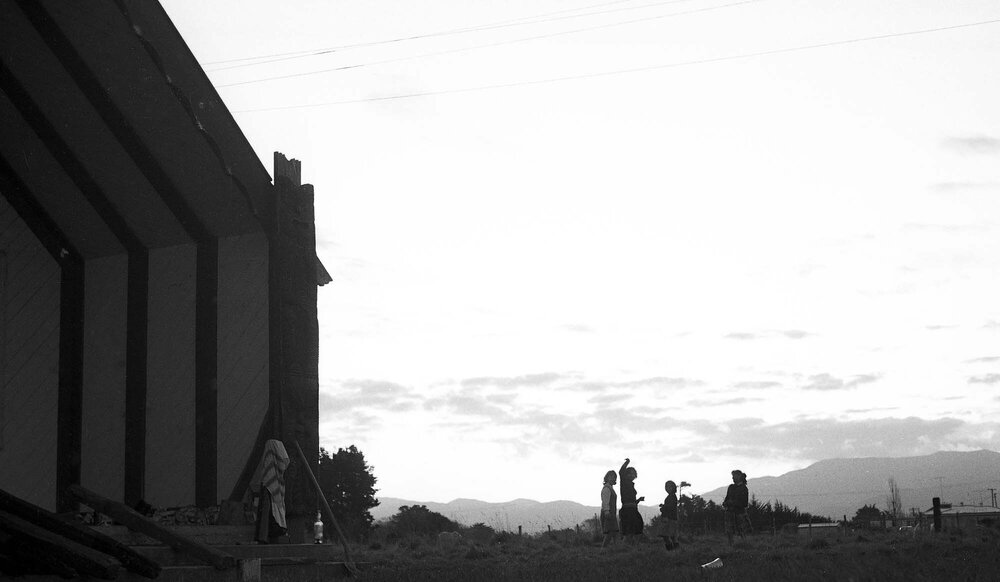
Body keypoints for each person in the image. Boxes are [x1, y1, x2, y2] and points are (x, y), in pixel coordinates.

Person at [250, 439, 291, 543]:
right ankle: (267, 534)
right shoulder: (273, 454)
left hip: (270, 487)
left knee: (270, 513)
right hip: (271, 488)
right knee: (270, 513)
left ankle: (266, 535)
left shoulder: (271, 449)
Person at [618, 458, 645, 543]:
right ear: (626, 474)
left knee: (636, 529)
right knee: (628, 531)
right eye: (630, 473)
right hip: (627, 510)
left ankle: (632, 547)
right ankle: (624, 547)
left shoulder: (631, 484)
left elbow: (631, 501)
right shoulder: (624, 482)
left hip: (633, 510)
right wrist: (627, 462)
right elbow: (621, 472)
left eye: (634, 474)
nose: (632, 475)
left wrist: (638, 500)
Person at [722, 469, 751, 544]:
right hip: (730, 513)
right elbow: (726, 498)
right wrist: (726, 503)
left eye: (734, 476)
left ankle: (743, 545)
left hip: (739, 513)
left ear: (739, 476)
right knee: (729, 531)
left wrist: (732, 503)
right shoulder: (731, 487)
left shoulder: (744, 489)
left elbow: (744, 503)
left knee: (741, 531)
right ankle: (732, 545)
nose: (732, 478)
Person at [657, 480, 679, 550]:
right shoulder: (672, 496)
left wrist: (663, 508)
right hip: (672, 518)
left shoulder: (672, 497)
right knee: (672, 536)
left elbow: (670, 507)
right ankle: (675, 551)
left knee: (666, 536)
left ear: (673, 487)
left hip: (669, 518)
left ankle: (671, 550)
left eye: (669, 487)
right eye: (666, 487)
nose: (667, 488)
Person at [600, 470, 619, 546]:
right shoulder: (606, 488)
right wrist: (607, 511)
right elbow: (605, 501)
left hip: (612, 513)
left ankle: (616, 550)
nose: (613, 478)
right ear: (607, 478)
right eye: (610, 476)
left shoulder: (610, 488)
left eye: (614, 477)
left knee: (614, 533)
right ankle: (603, 551)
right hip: (608, 513)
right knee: (610, 533)